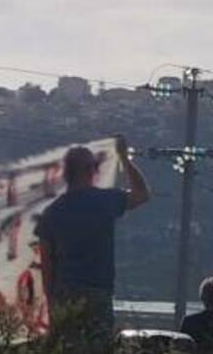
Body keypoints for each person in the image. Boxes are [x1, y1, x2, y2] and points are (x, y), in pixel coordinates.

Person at [35, 136, 150, 337]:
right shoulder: (105, 202)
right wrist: (124, 158)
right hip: (97, 293)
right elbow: (142, 194)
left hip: (64, 295)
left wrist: (53, 303)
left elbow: (47, 267)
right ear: (90, 170)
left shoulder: (52, 213)